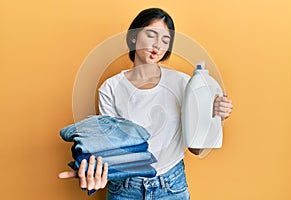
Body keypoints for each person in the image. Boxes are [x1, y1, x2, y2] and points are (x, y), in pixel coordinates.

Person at [58, 8, 233, 199]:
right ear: (133, 37)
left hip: (171, 186)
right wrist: (97, 172)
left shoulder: (184, 84)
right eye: (151, 35)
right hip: (125, 189)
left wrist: (211, 117)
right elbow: (111, 149)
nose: (158, 45)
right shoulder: (110, 88)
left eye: (165, 40)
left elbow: (196, 148)